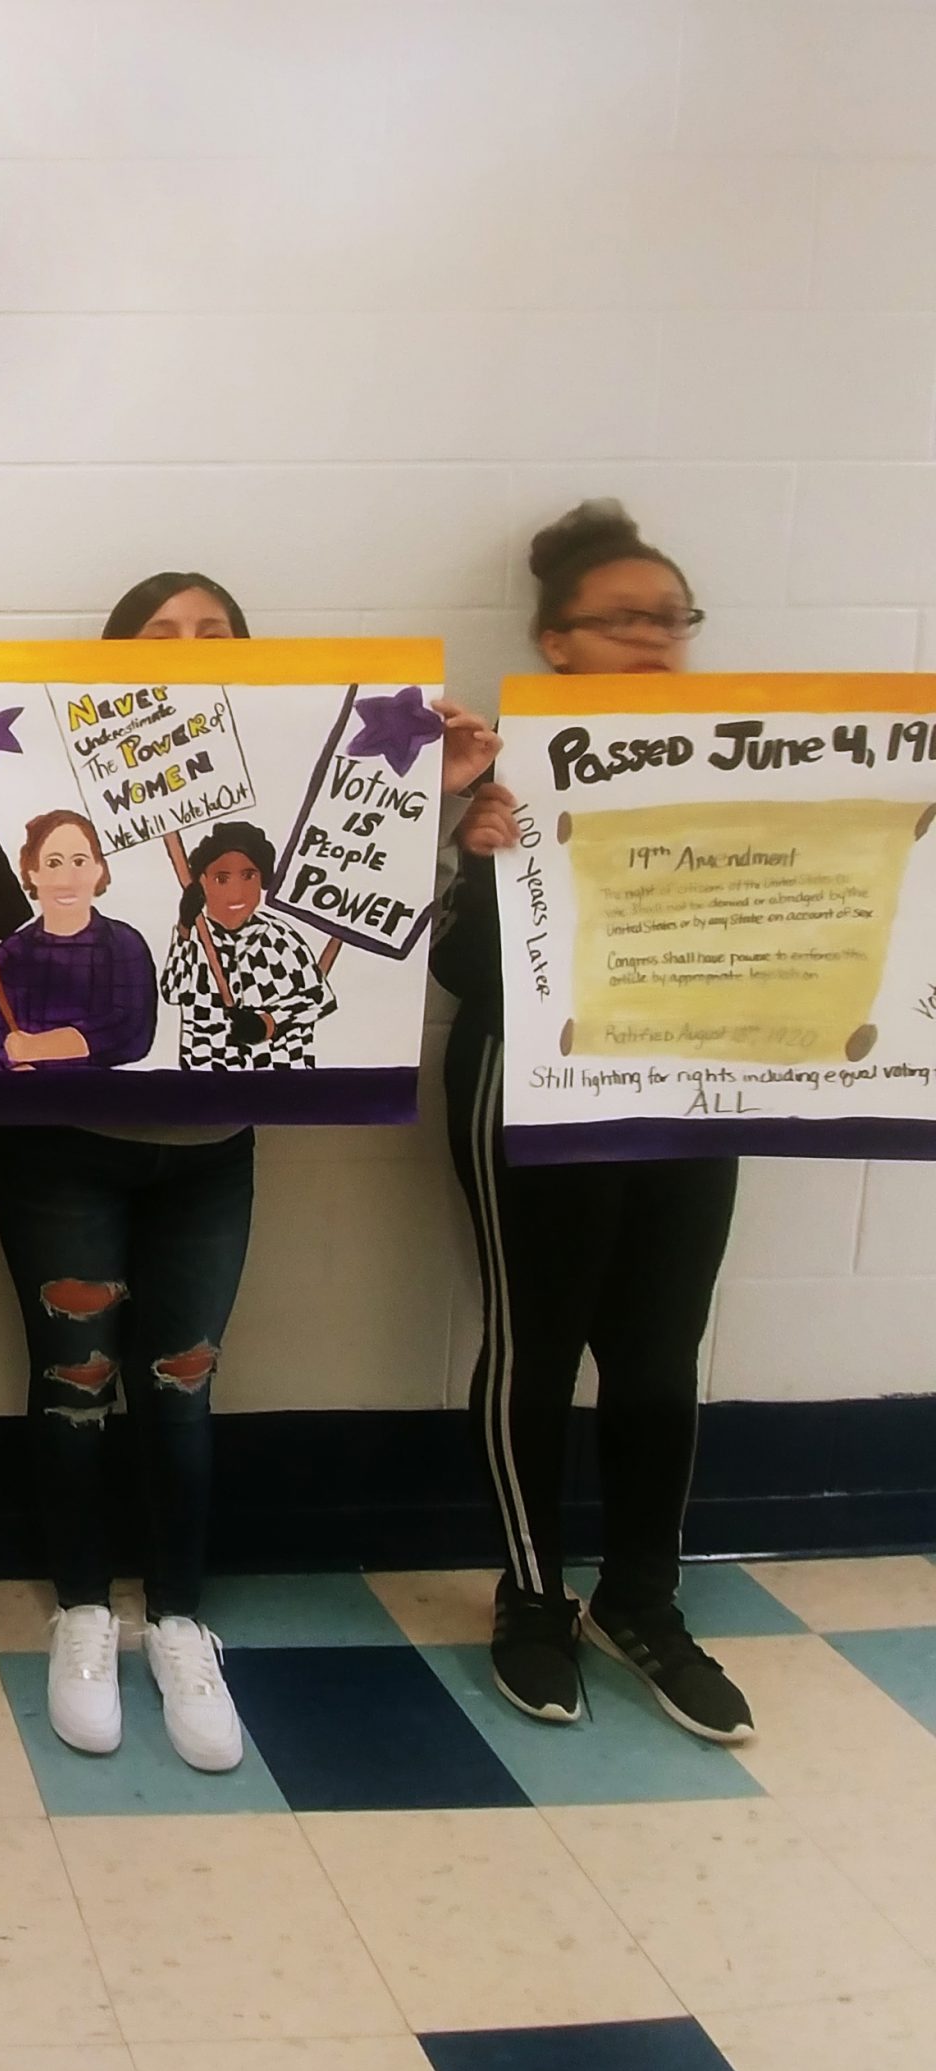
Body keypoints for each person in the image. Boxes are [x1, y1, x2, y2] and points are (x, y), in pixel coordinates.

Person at [0, 570, 494, 1774]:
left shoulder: (256, 810)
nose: (184, 649)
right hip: (57, 1155)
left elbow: (367, 912)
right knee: (73, 1383)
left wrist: (442, 798)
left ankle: (175, 1616)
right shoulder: (68, 787)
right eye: (157, 636)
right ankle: (81, 1610)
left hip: (210, 1154)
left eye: (212, 635)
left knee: (181, 1386)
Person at [436, 501, 752, 1743]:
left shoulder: (740, 758)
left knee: (663, 1351)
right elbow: (457, 969)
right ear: (555, 640)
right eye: (619, 620)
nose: (649, 639)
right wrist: (474, 854)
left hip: (689, 1080)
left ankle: (645, 1603)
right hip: (531, 1080)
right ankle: (528, 1595)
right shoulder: (496, 764)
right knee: (537, 1339)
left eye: (668, 619)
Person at [0, 810, 156, 1073]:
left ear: (98, 870)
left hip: (107, 1105)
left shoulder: (125, 945)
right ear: (32, 872)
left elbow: (133, 1033)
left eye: (79, 862)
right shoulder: (4, 960)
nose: (66, 880)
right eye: (53, 863)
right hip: (26, 1107)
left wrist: (37, 1047)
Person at [159, 820, 335, 1072]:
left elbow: (317, 998)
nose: (237, 892)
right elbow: (173, 990)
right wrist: (185, 928)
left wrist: (269, 1024)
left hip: (278, 1075)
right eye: (222, 878)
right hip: (208, 1076)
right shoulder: (195, 941)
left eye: (248, 876)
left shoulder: (279, 939)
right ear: (202, 883)